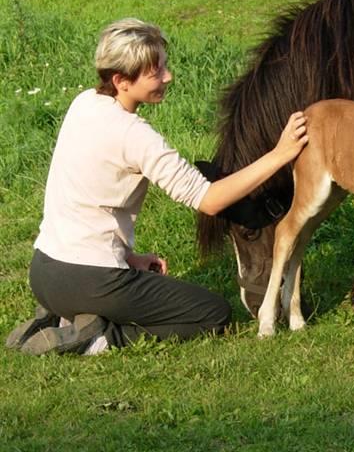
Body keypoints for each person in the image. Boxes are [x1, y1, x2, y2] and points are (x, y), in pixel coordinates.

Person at [5, 18, 308, 356]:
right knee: (211, 314)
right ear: (121, 80)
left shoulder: (84, 103)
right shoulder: (135, 136)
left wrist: (128, 257)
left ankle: (62, 319)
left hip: (45, 271)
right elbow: (209, 199)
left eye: (164, 66)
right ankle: (96, 337)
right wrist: (280, 155)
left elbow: (84, 198)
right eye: (156, 72)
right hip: (89, 280)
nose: (168, 76)